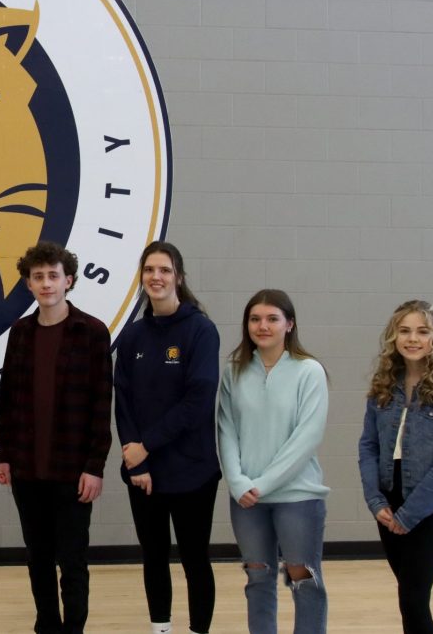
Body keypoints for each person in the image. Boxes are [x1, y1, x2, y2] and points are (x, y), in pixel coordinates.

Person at [0, 242, 112, 634]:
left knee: (72, 560)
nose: (46, 284)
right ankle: (46, 624)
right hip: (27, 468)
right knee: (38, 557)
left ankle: (73, 628)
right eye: (38, 277)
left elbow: (101, 405)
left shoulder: (92, 332)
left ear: (69, 281)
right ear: (28, 283)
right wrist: (4, 454)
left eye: (53, 276)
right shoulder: (20, 333)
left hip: (72, 470)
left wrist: (95, 467)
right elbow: (7, 397)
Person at [113, 241, 220, 634]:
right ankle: (161, 628)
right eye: (149, 270)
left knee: (195, 559)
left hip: (193, 470)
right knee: (154, 557)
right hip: (144, 473)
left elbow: (198, 401)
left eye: (164, 270)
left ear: (179, 277)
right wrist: (136, 459)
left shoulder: (201, 330)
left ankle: (198, 630)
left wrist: (146, 445)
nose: (155, 277)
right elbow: (123, 401)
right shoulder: (133, 336)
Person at [217, 289, 329, 634]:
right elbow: (225, 429)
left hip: (298, 497)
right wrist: (237, 482)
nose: (262, 326)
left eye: (272, 319)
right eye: (255, 319)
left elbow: (307, 437)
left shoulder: (309, 371)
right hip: (247, 499)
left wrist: (262, 484)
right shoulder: (234, 371)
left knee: (303, 580)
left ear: (289, 324)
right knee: (257, 578)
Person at [358, 300, 433, 634]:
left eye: (422, 331)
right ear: (393, 336)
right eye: (405, 331)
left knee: (414, 600)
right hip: (388, 507)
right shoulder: (382, 386)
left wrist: (409, 515)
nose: (413, 339)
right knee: (408, 599)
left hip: (429, 508)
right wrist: (376, 501)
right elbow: (368, 446)